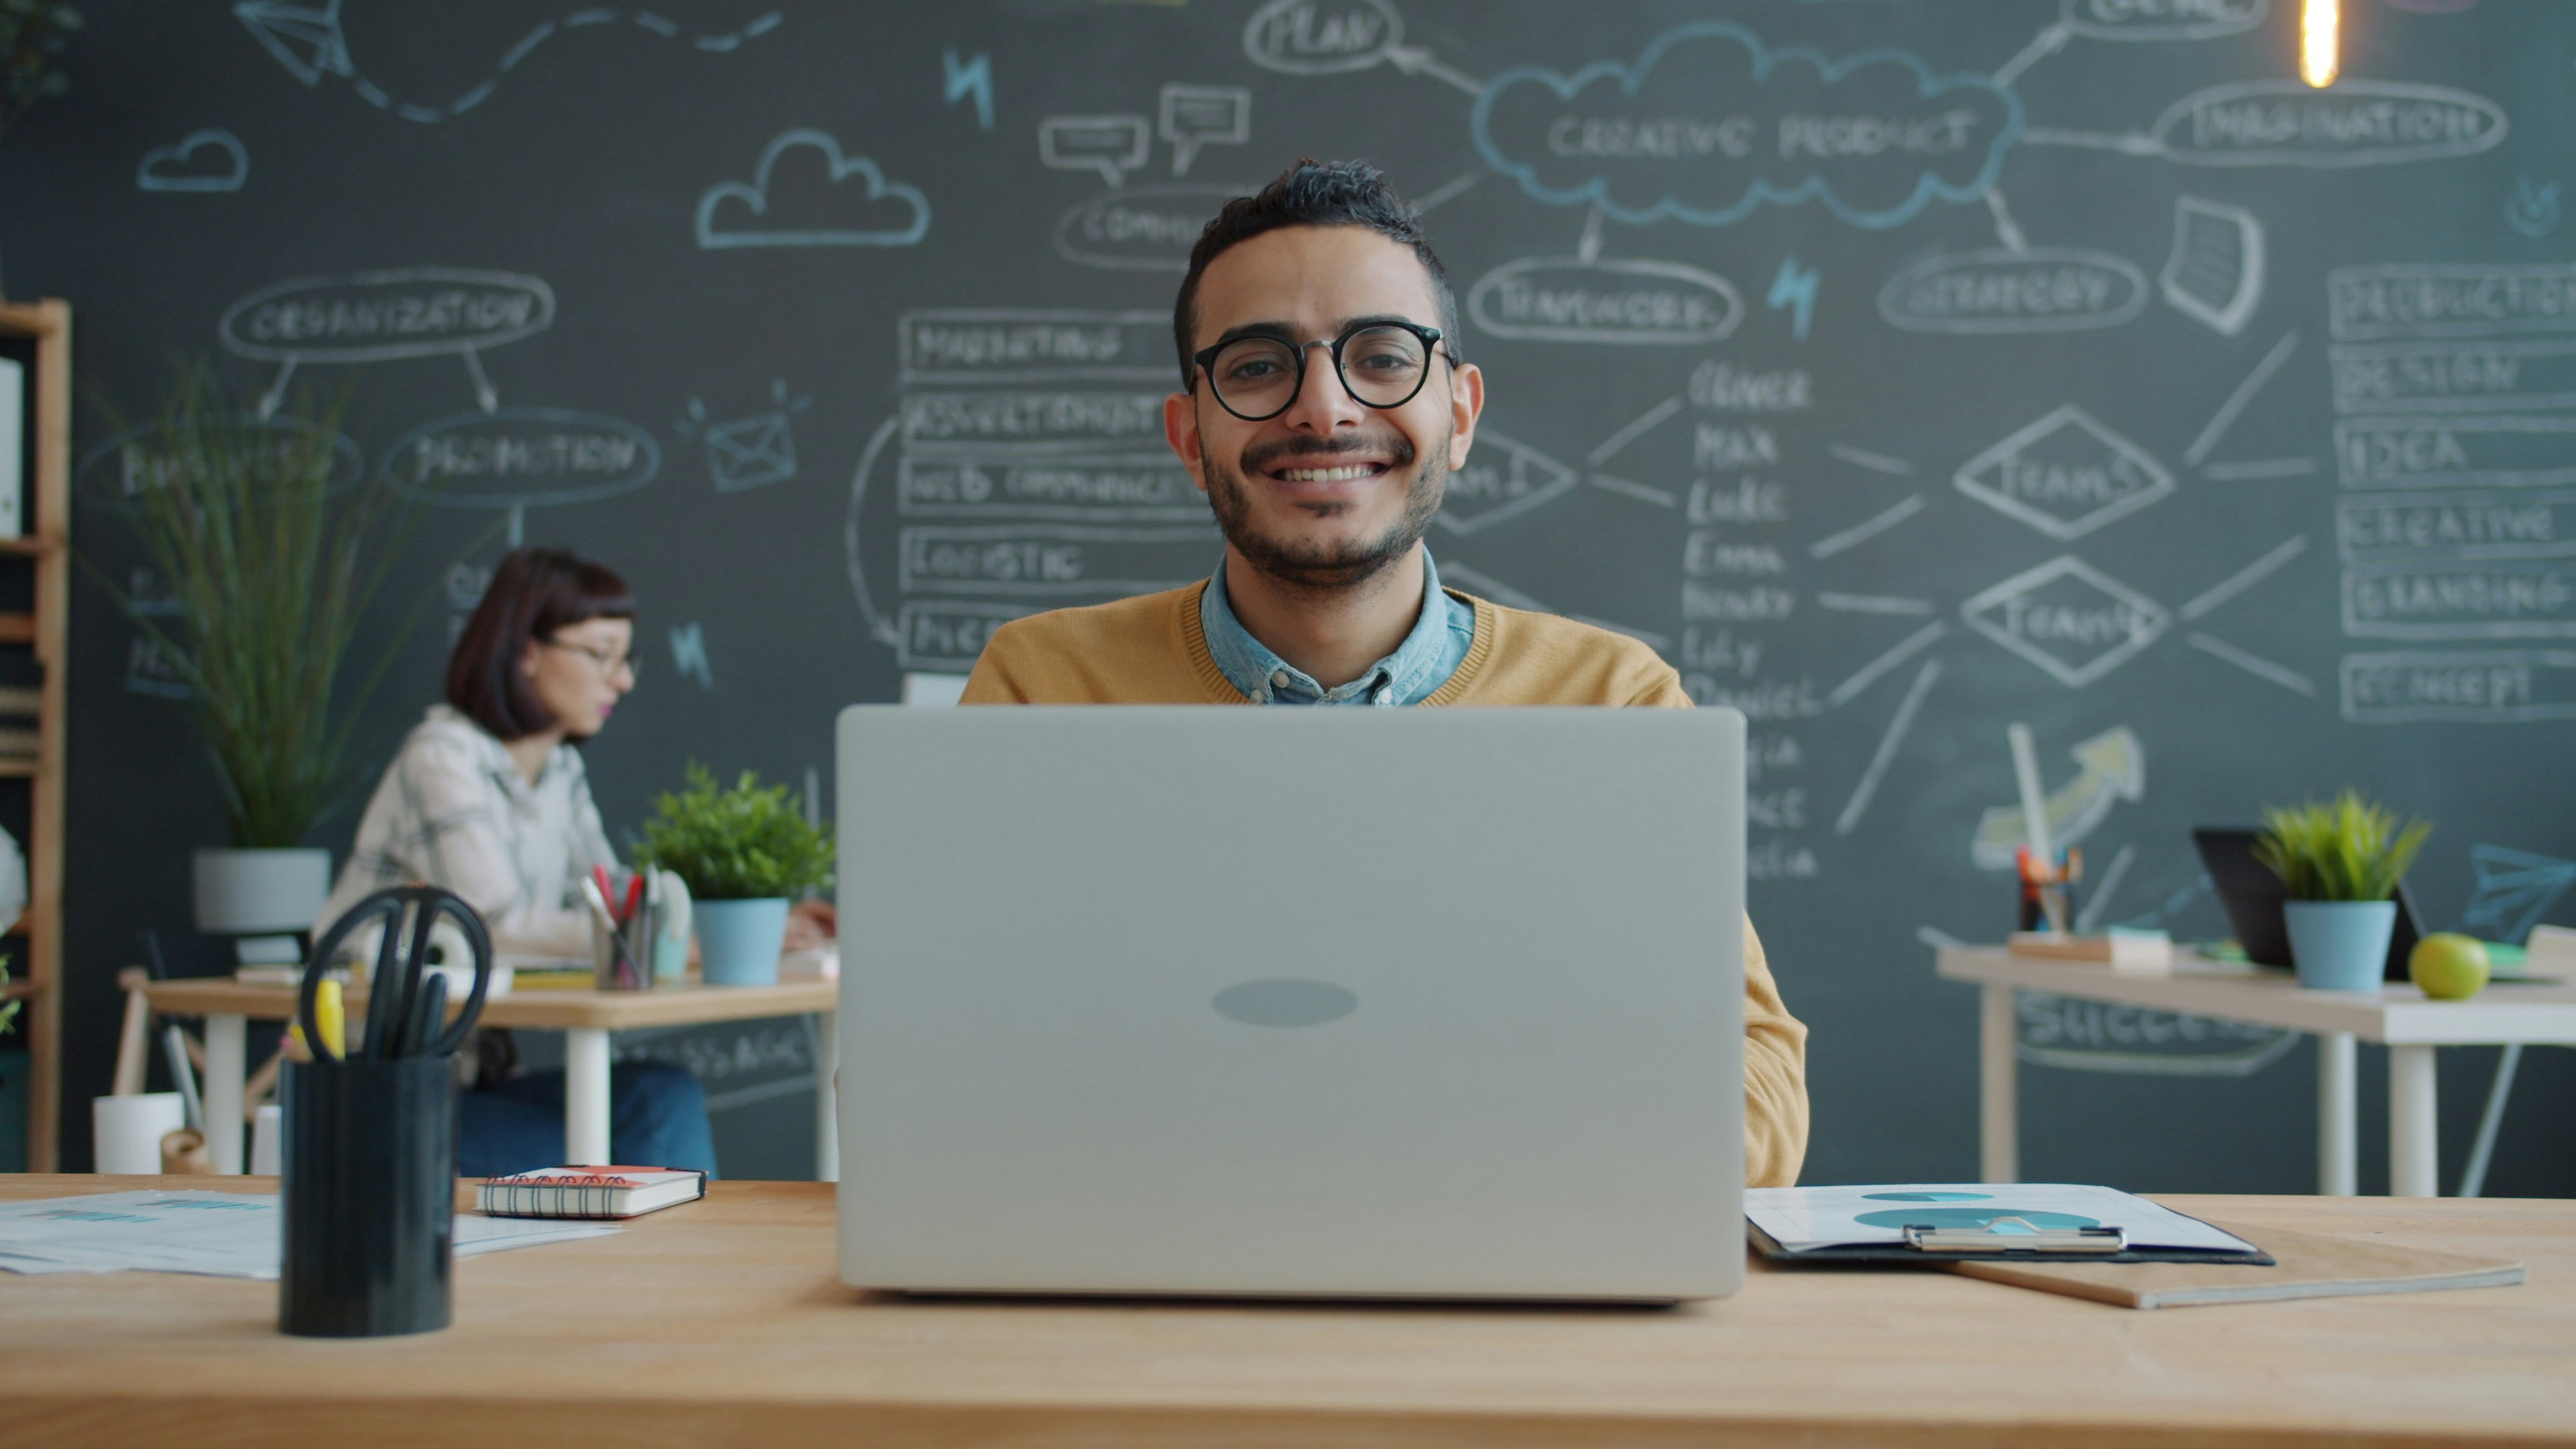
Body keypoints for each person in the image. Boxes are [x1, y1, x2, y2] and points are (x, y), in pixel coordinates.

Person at [960, 159, 1810, 1187]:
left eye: (1381, 356)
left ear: (1462, 410)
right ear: (1191, 434)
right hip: (1148, 1302)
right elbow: (923, 1074)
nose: (1324, 410)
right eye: (1259, 365)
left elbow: (1756, 1089)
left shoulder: (1616, 704)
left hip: (1508, 1301)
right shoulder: (1040, 689)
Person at [316, 547, 719, 1178]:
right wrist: (673, 938)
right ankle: (659, 1275)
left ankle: (669, 1275)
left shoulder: (560, 770)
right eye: (601, 654)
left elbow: (616, 901)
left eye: (626, 658)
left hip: (477, 1079)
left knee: (663, 1097)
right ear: (527, 651)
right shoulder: (442, 756)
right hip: (381, 1089)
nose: (624, 680)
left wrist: (737, 925)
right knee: (620, 1153)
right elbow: (495, 925)